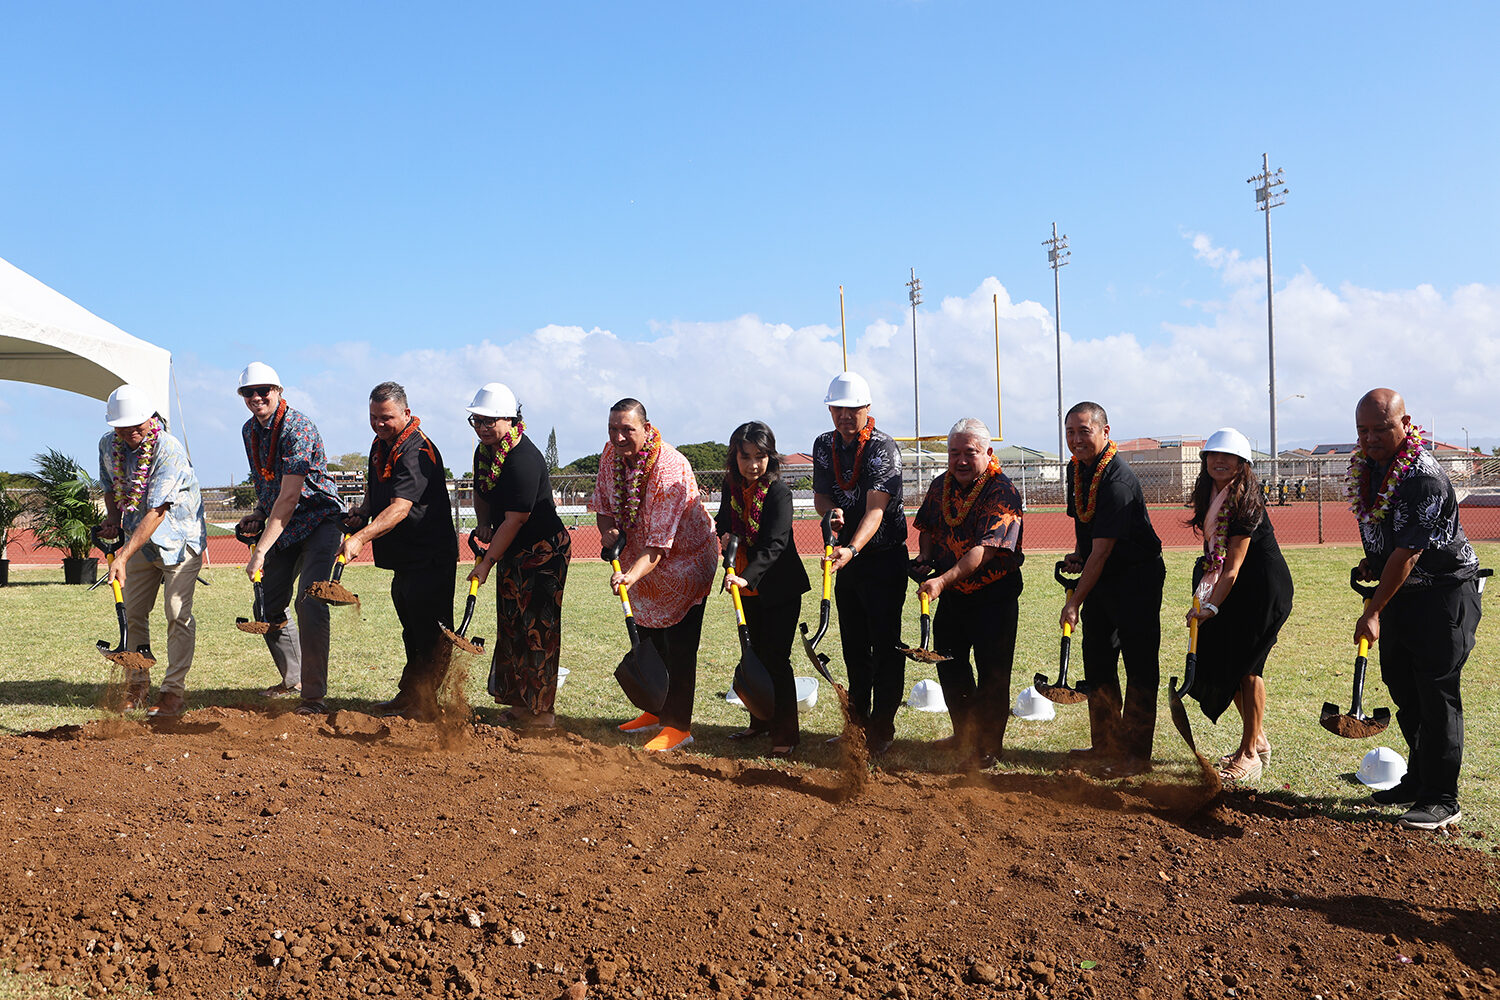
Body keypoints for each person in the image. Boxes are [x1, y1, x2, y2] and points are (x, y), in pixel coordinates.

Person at [1351, 388, 1481, 831]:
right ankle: (1420, 780)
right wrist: (1374, 560)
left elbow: (1408, 552)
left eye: (1381, 428)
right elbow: (1389, 537)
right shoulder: (1368, 469)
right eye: (1362, 430)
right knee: (1403, 685)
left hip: (1444, 595)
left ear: (1406, 424)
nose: (1370, 438)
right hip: (1405, 596)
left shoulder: (1423, 475)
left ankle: (1443, 799)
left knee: (1436, 693)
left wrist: (1373, 610)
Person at [591, 398, 718, 752]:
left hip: (684, 563)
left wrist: (630, 576)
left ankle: (678, 726)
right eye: (613, 429)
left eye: (627, 429)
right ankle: (654, 709)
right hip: (642, 565)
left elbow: (661, 544)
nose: (618, 437)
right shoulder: (609, 457)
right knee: (649, 640)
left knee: (679, 646)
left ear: (647, 429)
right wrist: (607, 533)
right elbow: (603, 507)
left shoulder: (669, 467)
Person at [341, 382, 460, 721]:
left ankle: (428, 702)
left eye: (387, 417)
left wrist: (361, 537)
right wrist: (363, 511)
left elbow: (400, 508)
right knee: (411, 627)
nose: (379, 423)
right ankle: (411, 694)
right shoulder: (381, 445)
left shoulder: (416, 451)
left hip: (429, 555)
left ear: (406, 413)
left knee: (432, 630)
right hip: (404, 557)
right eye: (374, 417)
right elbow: (375, 484)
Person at [1183, 427, 1293, 784]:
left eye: (1227, 456)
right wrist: (1204, 597)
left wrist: (1210, 607)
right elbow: (1215, 559)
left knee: (1248, 668)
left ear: (1243, 464)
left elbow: (1232, 566)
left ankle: (1249, 756)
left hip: (1263, 589)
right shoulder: (1210, 493)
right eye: (1212, 455)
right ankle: (1257, 740)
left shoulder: (1247, 502)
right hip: (1234, 587)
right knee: (1227, 665)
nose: (1219, 461)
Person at [1060, 401, 1165, 776]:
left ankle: (1136, 756)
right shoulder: (1077, 470)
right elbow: (1085, 528)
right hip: (1102, 574)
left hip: (1136, 578)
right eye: (1070, 431)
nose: (1076, 439)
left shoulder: (1117, 480)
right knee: (1099, 660)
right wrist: (1078, 553)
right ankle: (1105, 745)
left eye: (1084, 431)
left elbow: (1102, 552)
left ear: (1105, 432)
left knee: (1139, 667)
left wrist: (1075, 602)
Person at [912, 418, 1024, 770]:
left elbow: (985, 550)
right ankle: (964, 734)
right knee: (950, 665)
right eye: (954, 452)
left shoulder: (1002, 491)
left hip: (994, 597)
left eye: (970, 453)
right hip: (954, 596)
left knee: (993, 673)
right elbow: (928, 525)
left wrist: (941, 581)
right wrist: (926, 558)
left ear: (988, 453)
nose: (961, 460)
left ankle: (988, 747)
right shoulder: (940, 485)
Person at [236, 362, 346, 715]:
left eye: (263, 390)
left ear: (279, 391)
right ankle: (293, 678)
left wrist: (260, 552)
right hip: (283, 524)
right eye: (248, 392)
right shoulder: (249, 431)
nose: (256, 397)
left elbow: (290, 495)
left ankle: (313, 697)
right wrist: (258, 512)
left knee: (311, 601)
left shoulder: (297, 426)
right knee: (267, 605)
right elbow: (269, 483)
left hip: (318, 521)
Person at [97, 385, 208, 718]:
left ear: (150, 417)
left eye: (137, 424)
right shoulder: (107, 445)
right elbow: (110, 488)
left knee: (176, 613)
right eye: (122, 426)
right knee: (132, 612)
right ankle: (138, 685)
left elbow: (157, 511)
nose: (131, 432)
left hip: (179, 540)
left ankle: (173, 692)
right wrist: (114, 524)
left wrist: (123, 557)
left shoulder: (168, 449)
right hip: (137, 539)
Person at [463, 383, 571, 729]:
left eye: (489, 421)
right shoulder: (485, 452)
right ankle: (516, 703)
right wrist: (482, 525)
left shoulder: (523, 459)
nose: (482, 427)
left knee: (538, 628)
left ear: (511, 420)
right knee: (511, 624)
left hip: (543, 551)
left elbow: (516, 518)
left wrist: (486, 562)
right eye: (477, 420)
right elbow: (481, 490)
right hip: (510, 547)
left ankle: (541, 712)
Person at [812, 371, 907, 754]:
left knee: (884, 646)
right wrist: (830, 511)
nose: (845, 416)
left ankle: (882, 728)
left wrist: (851, 549)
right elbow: (821, 495)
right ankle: (858, 724)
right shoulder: (823, 444)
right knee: (853, 644)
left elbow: (875, 510)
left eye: (853, 409)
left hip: (881, 558)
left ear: (868, 408)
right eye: (838, 409)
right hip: (846, 561)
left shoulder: (883, 447)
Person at [715, 420, 810, 756]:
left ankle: (786, 734)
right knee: (752, 656)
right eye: (745, 456)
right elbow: (724, 521)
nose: (753, 464)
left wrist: (746, 575)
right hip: (745, 586)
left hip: (779, 587)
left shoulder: (779, 493)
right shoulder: (731, 486)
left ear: (771, 457)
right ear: (734, 457)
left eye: (760, 456)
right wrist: (724, 535)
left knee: (776, 659)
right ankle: (760, 722)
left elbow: (776, 543)